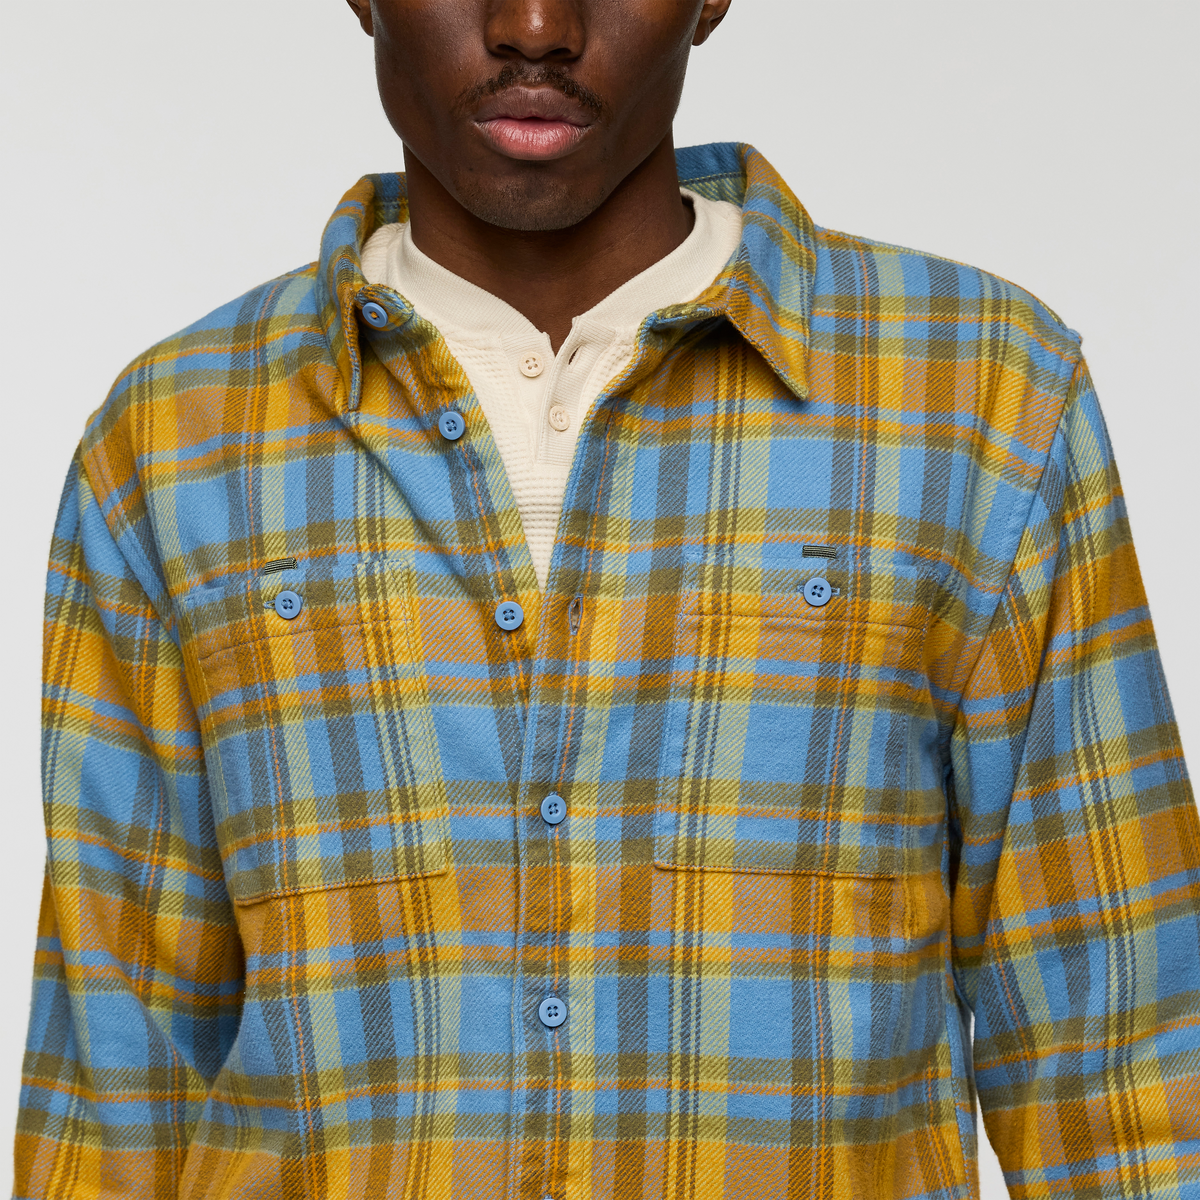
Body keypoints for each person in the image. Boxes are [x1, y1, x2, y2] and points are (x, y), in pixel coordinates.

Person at [16, 0, 1200, 1196]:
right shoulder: (174, 443)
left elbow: (1120, 1054)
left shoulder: (982, 399)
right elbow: (119, 1077)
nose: (535, 26)